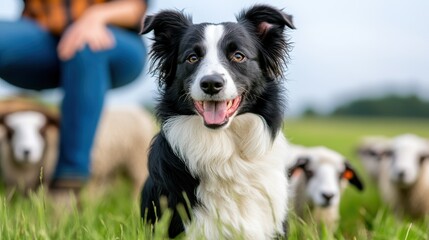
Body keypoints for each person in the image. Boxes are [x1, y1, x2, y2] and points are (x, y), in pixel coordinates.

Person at [0, 0, 149, 196]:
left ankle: (69, 181)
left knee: (86, 44)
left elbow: (135, 7)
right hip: (43, 33)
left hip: (112, 35)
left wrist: (95, 16)